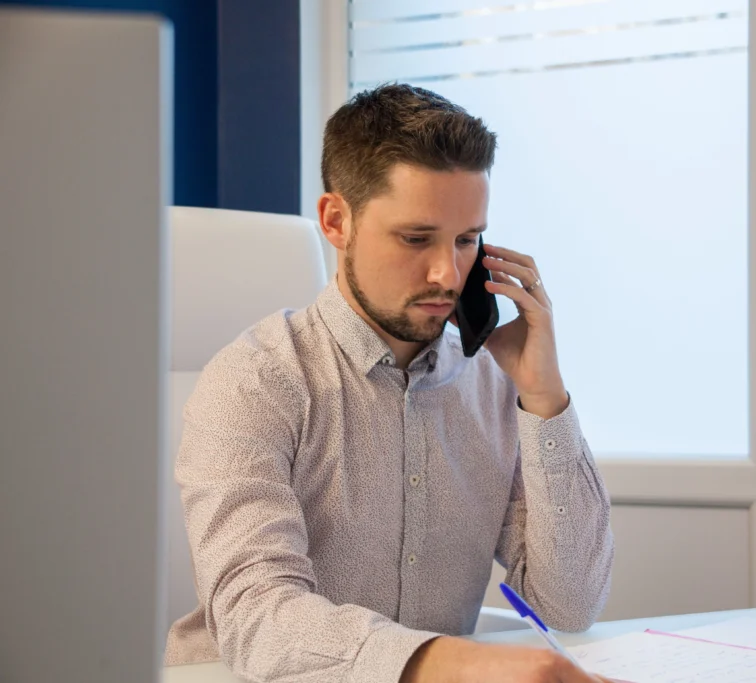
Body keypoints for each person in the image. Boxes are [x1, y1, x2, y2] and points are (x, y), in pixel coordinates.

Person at [164, 84, 614, 683]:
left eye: (466, 239)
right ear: (336, 220)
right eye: (416, 238)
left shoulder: (492, 384)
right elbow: (257, 617)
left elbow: (571, 603)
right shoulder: (256, 381)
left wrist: (544, 396)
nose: (447, 273)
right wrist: (452, 663)